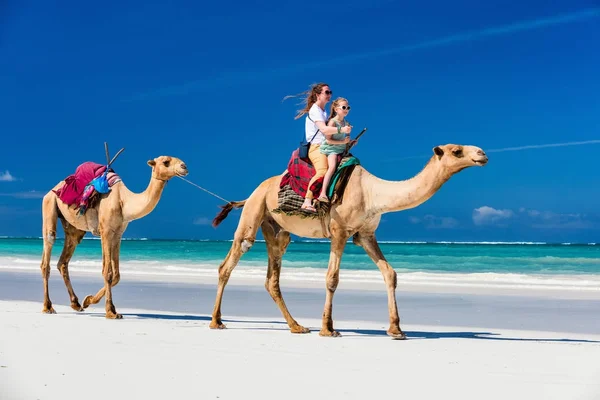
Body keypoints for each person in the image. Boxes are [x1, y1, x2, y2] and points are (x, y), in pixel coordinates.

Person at [285, 83, 351, 213]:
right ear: (317, 95)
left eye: (330, 92)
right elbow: (324, 129)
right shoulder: (315, 110)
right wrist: (341, 129)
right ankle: (307, 201)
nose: (329, 95)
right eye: (326, 92)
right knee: (322, 170)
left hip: (327, 146)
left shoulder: (324, 112)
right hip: (317, 147)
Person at [316, 97, 352, 203]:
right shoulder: (332, 122)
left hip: (340, 148)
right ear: (336, 109)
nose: (346, 109)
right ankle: (322, 193)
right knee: (331, 168)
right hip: (331, 149)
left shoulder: (345, 122)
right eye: (344, 107)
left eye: (348, 107)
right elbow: (329, 140)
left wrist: (350, 142)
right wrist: (343, 142)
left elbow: (345, 139)